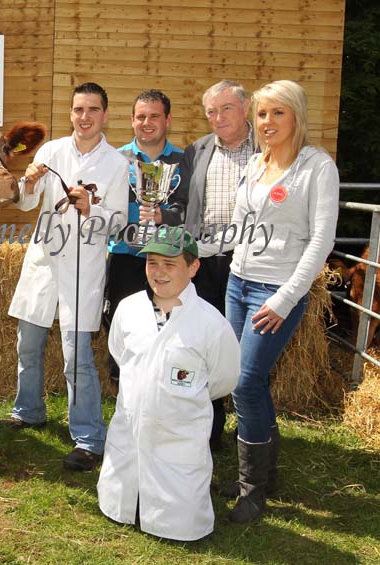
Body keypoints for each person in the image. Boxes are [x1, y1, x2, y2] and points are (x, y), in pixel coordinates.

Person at [198, 80, 340, 523]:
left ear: (296, 115)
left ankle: (252, 491)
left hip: (275, 292)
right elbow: (237, 230)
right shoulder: (258, 165)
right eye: (262, 114)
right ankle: (264, 477)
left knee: (245, 382)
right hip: (239, 283)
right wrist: (190, 246)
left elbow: (321, 241)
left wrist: (285, 299)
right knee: (247, 381)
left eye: (278, 113)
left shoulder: (317, 167)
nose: (267, 122)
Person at [0, 82, 129, 471]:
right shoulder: (51, 150)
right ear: (70, 114)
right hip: (43, 262)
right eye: (78, 110)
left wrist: (92, 209)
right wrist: (30, 180)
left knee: (76, 358)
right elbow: (23, 203)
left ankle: (89, 438)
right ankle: (28, 410)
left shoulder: (117, 164)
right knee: (28, 344)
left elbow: (119, 225)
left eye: (92, 109)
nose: (84, 117)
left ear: (105, 115)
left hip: (83, 267)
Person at [98, 226, 240, 541]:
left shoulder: (211, 324)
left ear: (193, 267)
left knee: (180, 511)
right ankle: (126, 504)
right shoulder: (129, 309)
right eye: (152, 263)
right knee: (124, 475)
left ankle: (172, 516)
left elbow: (222, 379)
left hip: (179, 442)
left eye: (170, 264)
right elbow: (120, 353)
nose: (159, 272)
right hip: (131, 426)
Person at [177, 80, 257, 451]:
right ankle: (210, 429)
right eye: (211, 111)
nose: (218, 117)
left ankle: (251, 430)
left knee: (245, 349)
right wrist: (160, 214)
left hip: (250, 263)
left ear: (245, 109)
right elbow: (182, 204)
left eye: (226, 108)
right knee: (206, 343)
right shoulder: (197, 150)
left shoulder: (268, 149)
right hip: (205, 262)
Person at [102, 89, 186, 387]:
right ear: (131, 120)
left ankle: (160, 386)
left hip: (167, 258)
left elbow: (189, 206)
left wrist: (166, 215)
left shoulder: (183, 160)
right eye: (140, 117)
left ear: (168, 120)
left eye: (154, 116)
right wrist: (133, 213)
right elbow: (103, 206)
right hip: (125, 254)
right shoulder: (115, 158)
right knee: (119, 323)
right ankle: (122, 385)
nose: (146, 122)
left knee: (166, 323)